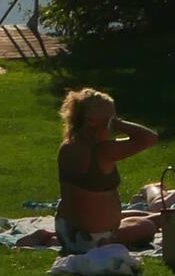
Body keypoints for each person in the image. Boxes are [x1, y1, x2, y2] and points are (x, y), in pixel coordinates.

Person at [55, 87, 162, 252]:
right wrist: (120, 124)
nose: (112, 124)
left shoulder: (68, 145)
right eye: (110, 119)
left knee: (138, 215)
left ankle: (49, 236)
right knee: (147, 227)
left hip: (66, 231)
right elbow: (150, 138)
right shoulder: (102, 151)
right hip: (93, 241)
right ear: (91, 121)